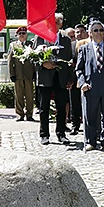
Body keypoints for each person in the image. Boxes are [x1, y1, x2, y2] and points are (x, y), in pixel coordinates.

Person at [76, 21, 104, 151]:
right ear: (90, 33)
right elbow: (79, 69)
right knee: (90, 116)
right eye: (95, 30)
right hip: (90, 88)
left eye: (101, 30)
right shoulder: (84, 49)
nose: (98, 33)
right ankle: (91, 141)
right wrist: (82, 83)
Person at [34, 13, 74, 145]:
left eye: (56, 22)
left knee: (61, 107)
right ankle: (44, 134)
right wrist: (43, 64)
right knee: (44, 107)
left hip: (60, 77)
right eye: (50, 22)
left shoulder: (66, 39)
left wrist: (70, 78)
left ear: (61, 24)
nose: (53, 24)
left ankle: (61, 133)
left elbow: (69, 60)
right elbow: (33, 59)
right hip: (45, 77)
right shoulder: (40, 37)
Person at [7, 26, 35, 121]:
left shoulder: (31, 44)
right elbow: (10, 61)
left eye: (24, 33)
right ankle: (19, 114)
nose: (22, 35)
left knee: (30, 96)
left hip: (29, 74)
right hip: (18, 74)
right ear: (17, 35)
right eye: (20, 34)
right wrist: (12, 74)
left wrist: (35, 73)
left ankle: (29, 114)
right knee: (19, 96)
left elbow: (34, 59)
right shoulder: (13, 45)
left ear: (26, 34)